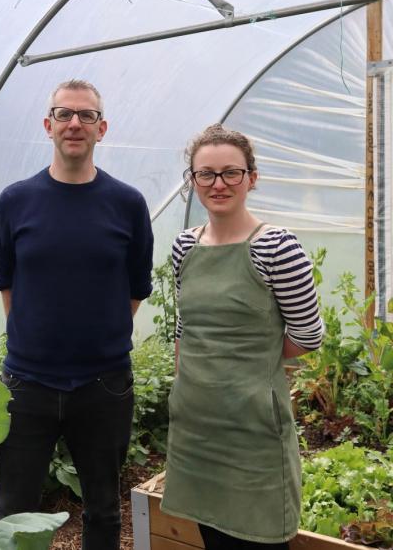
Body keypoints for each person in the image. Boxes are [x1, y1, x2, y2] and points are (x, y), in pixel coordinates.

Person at [0, 79, 153, 550]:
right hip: (26, 383)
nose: (75, 124)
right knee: (13, 510)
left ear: (102, 128)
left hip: (103, 384)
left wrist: (94, 335)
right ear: (48, 125)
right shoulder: (16, 199)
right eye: (64, 114)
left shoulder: (127, 203)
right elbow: (7, 280)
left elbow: (136, 286)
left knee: (103, 508)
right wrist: (35, 337)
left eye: (86, 116)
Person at [160, 124, 323, 550]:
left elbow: (308, 334)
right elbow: (185, 326)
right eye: (206, 174)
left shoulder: (277, 247)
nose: (219, 184)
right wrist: (186, 383)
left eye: (231, 173)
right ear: (192, 182)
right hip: (197, 426)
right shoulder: (184, 246)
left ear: (252, 177)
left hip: (252, 427)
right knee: (211, 535)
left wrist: (252, 361)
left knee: (261, 538)